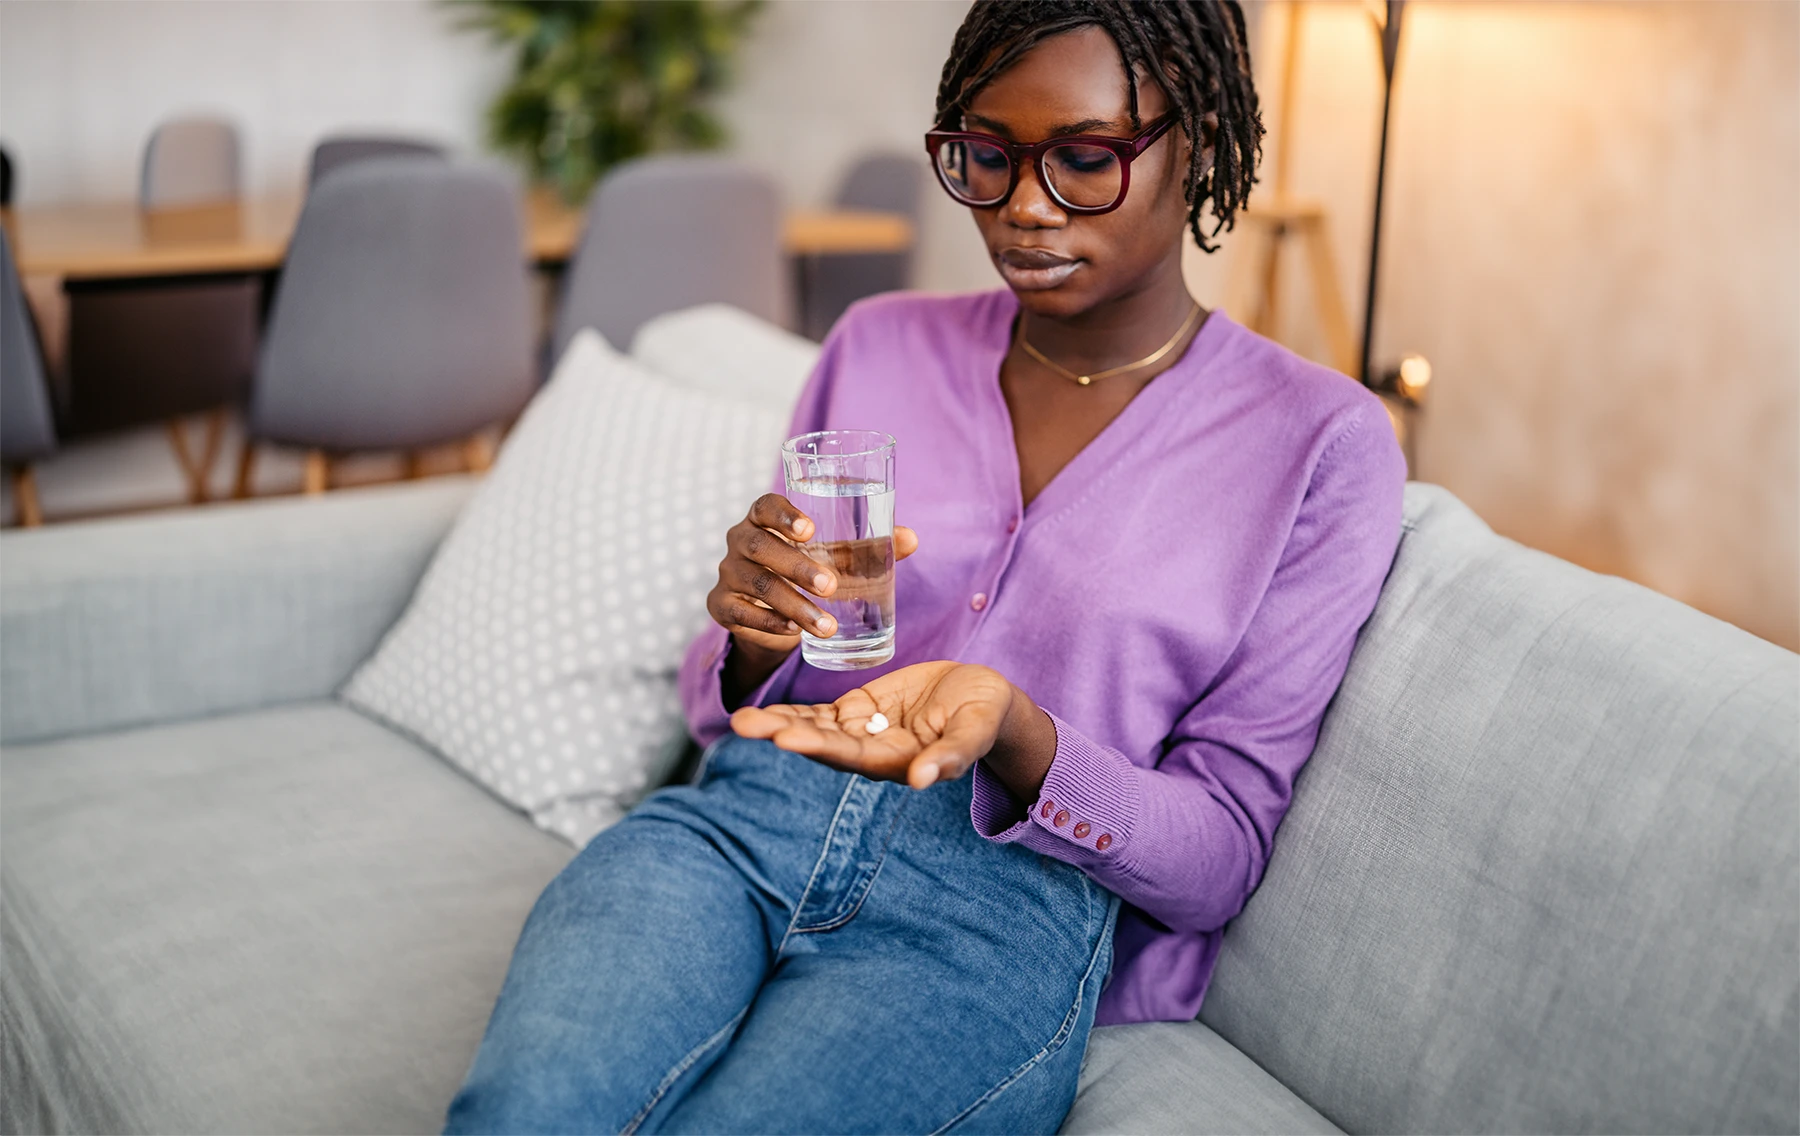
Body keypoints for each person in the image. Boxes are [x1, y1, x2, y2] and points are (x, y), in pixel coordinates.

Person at [447, 1, 1405, 1132]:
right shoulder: (878, 343)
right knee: (524, 1111)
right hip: (739, 829)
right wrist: (756, 637)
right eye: (985, 157)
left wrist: (1017, 728)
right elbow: (726, 700)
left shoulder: (1316, 444)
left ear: (1195, 139)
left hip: (994, 914)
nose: (1023, 209)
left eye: (1086, 159)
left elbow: (1220, 856)